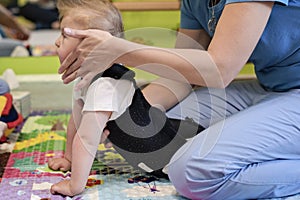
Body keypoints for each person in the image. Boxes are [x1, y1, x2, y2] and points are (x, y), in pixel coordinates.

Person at [56, 0, 300, 199]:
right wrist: (125, 115)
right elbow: (180, 77)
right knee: (151, 136)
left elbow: (219, 70)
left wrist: (121, 51)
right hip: (271, 88)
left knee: (190, 172)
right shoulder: (195, 2)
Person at [48, 0, 203, 196]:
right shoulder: (88, 77)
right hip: (153, 137)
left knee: (196, 165)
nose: (56, 41)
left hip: (169, 157)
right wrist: (69, 159)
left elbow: (87, 138)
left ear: (91, 47)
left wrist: (75, 186)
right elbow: (76, 121)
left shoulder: (106, 85)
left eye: (64, 35)